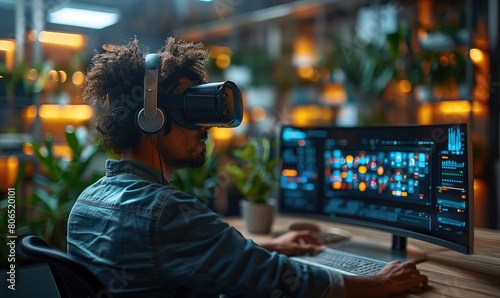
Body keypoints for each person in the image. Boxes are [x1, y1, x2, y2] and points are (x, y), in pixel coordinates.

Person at [67, 37, 428, 297]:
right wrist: (378, 283)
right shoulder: (165, 212)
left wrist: (268, 246)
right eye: (191, 115)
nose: (206, 128)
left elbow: (180, 254)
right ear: (151, 118)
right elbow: (277, 280)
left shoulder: (84, 205)